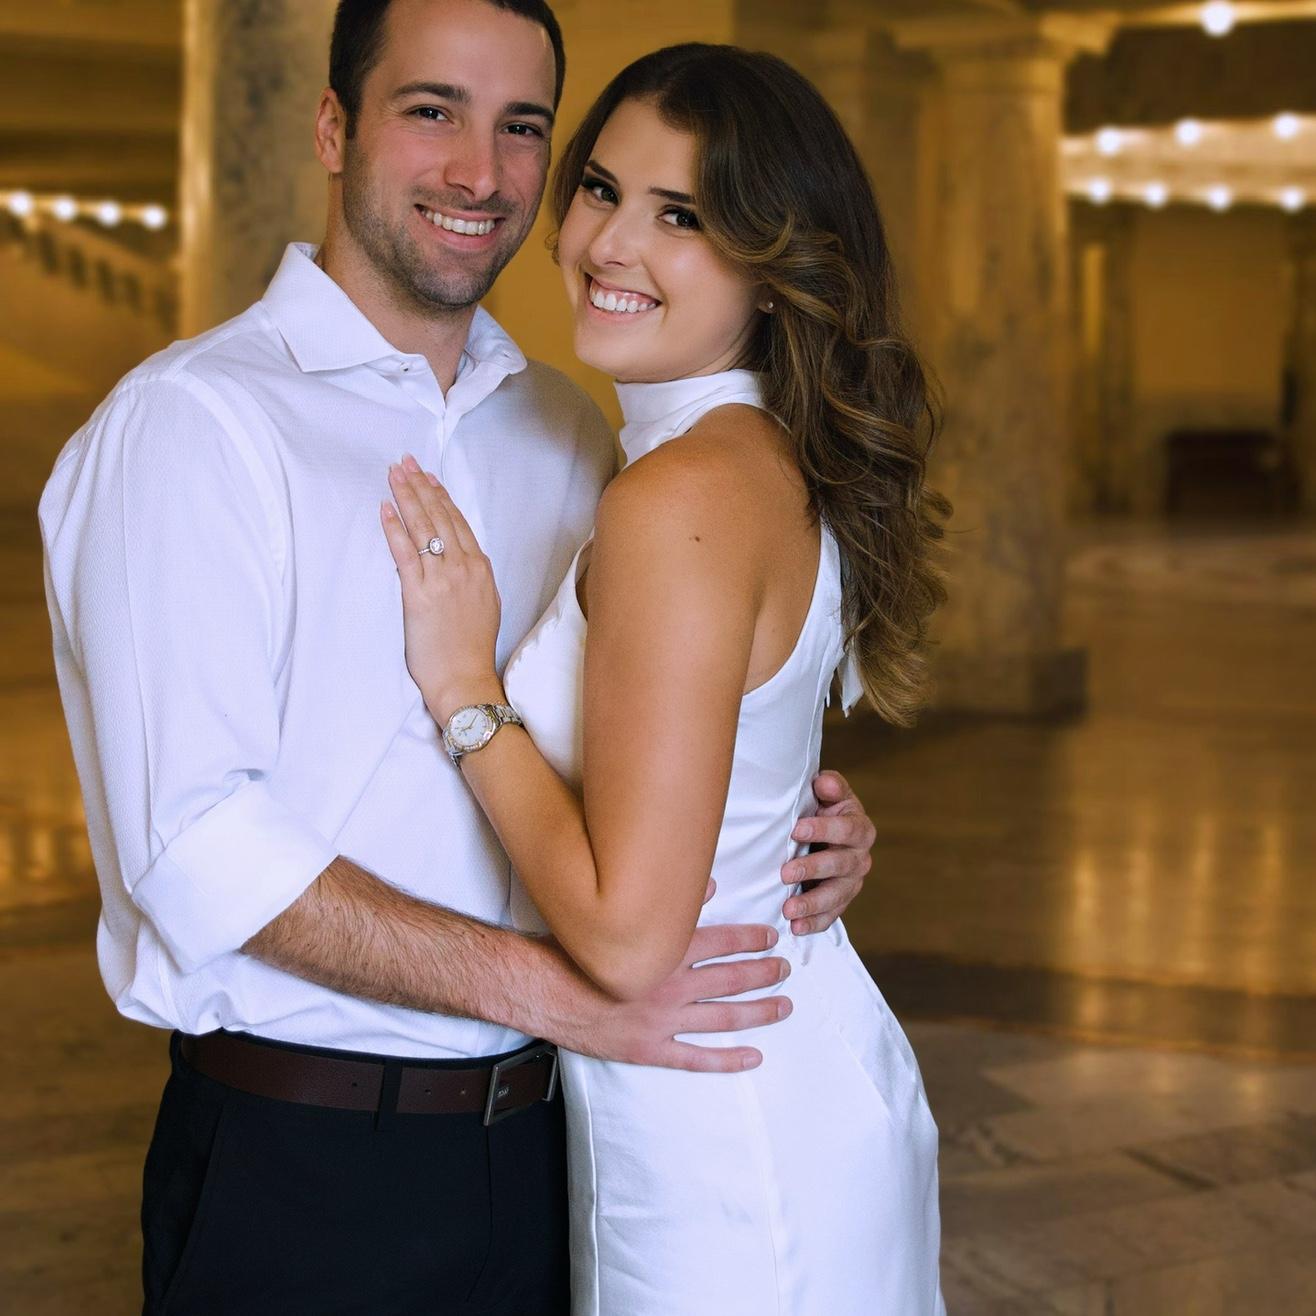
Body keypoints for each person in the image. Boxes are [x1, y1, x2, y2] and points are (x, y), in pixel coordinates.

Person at [38, 2, 878, 1313]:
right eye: (431, 110)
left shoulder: (572, 432)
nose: (480, 172)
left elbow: (643, 738)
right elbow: (194, 846)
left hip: (565, 1144)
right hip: (310, 1164)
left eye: (522, 128)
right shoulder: (191, 427)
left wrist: (787, 822)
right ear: (334, 126)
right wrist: (563, 996)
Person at [381, 41, 948, 1316]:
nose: (609, 243)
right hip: (781, 1066)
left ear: (773, 266)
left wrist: (466, 693)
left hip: (724, 1137)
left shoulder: (677, 496)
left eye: (681, 215)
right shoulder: (760, 458)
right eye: (600, 189)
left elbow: (631, 938)